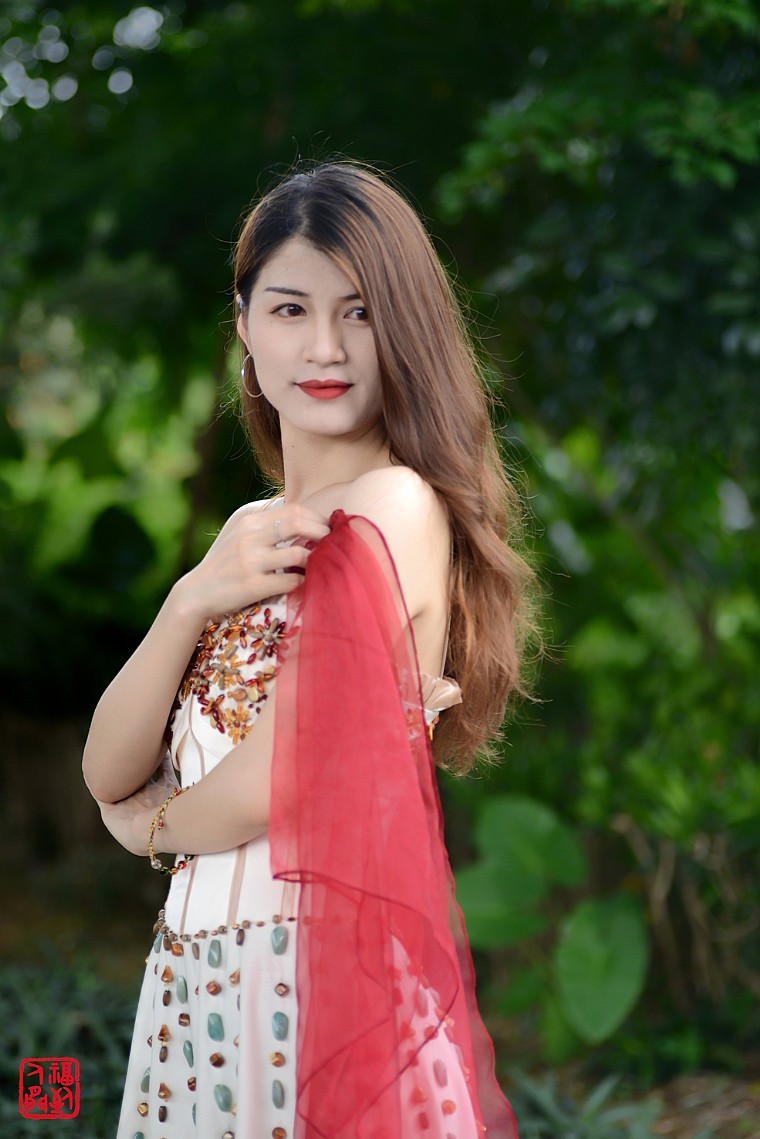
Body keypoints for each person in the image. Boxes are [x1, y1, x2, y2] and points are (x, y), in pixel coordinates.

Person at [82, 161, 534, 1139]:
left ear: (403, 328)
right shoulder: (248, 530)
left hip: (314, 988)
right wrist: (190, 598)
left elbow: (271, 778)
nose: (324, 346)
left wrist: (145, 828)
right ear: (245, 326)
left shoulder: (393, 505)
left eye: (359, 312)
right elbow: (106, 765)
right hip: (197, 987)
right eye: (290, 309)